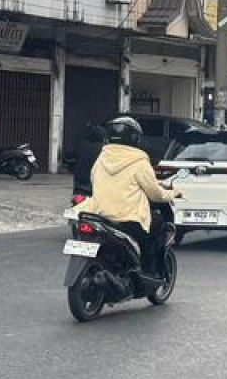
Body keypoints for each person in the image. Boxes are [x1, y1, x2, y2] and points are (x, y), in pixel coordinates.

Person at [75, 115, 178, 276]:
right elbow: (155, 194)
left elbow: (93, 180)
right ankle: (149, 270)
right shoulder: (139, 162)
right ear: (135, 138)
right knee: (159, 225)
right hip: (129, 220)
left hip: (100, 216)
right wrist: (172, 194)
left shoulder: (102, 157)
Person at [71, 121, 107, 200]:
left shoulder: (82, 146)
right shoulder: (104, 149)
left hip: (79, 184)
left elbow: (71, 158)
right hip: (94, 185)